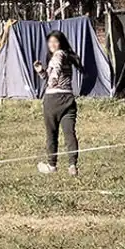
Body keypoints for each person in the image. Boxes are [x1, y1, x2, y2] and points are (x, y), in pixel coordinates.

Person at [34, 30, 82, 177]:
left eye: (55, 41)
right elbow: (52, 74)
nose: (52, 44)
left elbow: (55, 72)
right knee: (69, 134)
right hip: (68, 99)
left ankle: (52, 165)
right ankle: (72, 166)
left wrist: (52, 79)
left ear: (60, 43)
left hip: (53, 100)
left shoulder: (58, 55)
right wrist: (42, 71)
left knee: (51, 134)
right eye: (50, 42)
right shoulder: (68, 56)